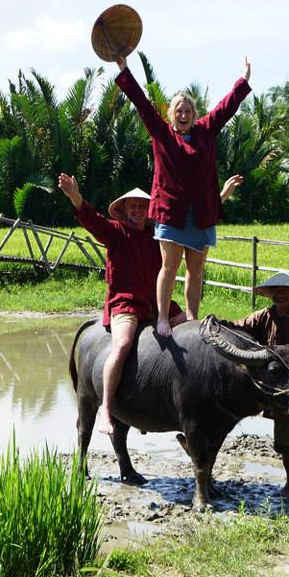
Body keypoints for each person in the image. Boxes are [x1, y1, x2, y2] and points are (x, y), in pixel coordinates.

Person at [114, 53, 252, 337]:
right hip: (171, 212)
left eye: (188, 110)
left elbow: (226, 108)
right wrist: (124, 70)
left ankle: (191, 319)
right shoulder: (162, 134)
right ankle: (163, 318)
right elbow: (141, 103)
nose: (184, 115)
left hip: (200, 214)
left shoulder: (206, 131)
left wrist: (244, 81)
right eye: (179, 110)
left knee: (196, 269)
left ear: (194, 114)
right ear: (172, 114)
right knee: (169, 265)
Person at [58, 173, 186, 435]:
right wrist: (75, 196)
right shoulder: (115, 232)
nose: (138, 211)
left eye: (142, 206)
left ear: (148, 211)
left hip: (159, 304)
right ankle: (106, 410)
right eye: (133, 206)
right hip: (126, 304)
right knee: (124, 343)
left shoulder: (157, 236)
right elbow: (92, 221)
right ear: (124, 210)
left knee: (192, 330)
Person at [229, 272, 289, 499]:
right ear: (268, 294)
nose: (279, 295)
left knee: (284, 440)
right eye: (274, 291)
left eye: (285, 291)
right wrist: (219, 327)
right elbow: (239, 327)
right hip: (268, 384)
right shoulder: (264, 316)